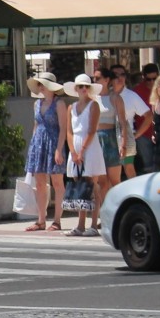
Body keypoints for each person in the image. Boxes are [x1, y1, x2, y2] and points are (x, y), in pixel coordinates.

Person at [62, 73, 107, 237]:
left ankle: (94, 224)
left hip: (90, 146)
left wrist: (81, 151)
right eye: (80, 86)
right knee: (79, 183)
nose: (82, 89)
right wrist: (73, 152)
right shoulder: (71, 108)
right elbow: (69, 131)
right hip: (76, 146)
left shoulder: (93, 105)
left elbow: (92, 129)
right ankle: (80, 225)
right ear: (76, 88)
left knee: (91, 183)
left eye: (85, 86)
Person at [23, 72, 67, 232]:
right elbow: (36, 125)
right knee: (40, 183)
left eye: (42, 84)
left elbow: (63, 128)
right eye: (39, 84)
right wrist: (32, 148)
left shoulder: (59, 104)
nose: (40, 87)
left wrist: (59, 150)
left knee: (57, 182)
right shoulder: (36, 104)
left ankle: (57, 220)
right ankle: (41, 220)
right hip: (39, 143)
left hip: (54, 143)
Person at [92, 69, 130, 223]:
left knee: (115, 179)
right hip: (96, 139)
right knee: (102, 181)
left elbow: (122, 123)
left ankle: (121, 213)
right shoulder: (93, 98)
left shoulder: (115, 98)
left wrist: (123, 143)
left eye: (98, 78)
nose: (95, 81)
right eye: (93, 78)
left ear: (107, 80)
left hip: (111, 139)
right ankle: (105, 214)